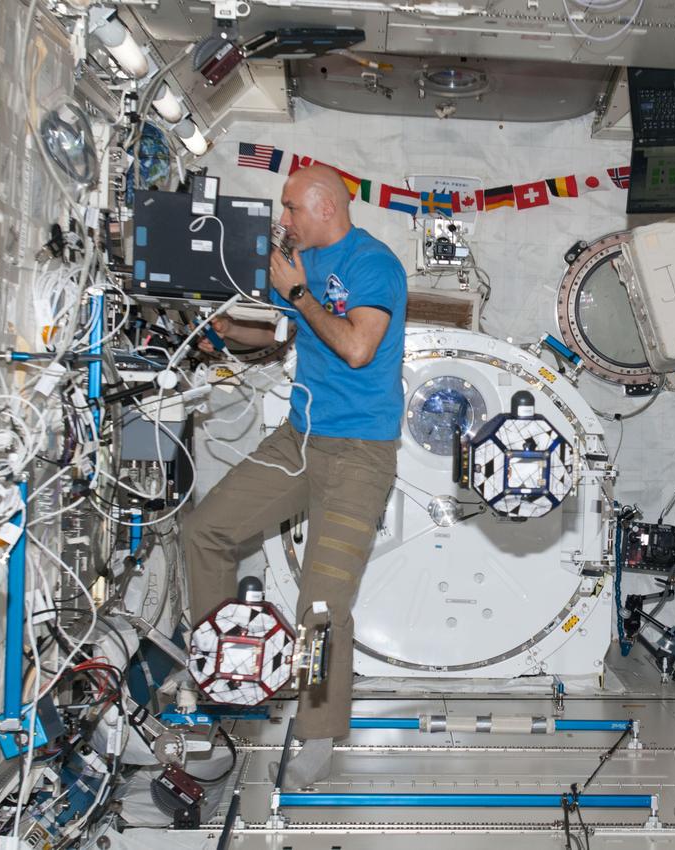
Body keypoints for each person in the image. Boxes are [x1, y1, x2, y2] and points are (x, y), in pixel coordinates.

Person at [180, 164, 407, 787]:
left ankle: (316, 728)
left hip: (360, 453)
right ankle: (224, 689)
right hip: (300, 438)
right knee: (204, 532)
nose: (282, 220)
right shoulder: (298, 265)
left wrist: (301, 292)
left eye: (290, 209)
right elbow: (282, 335)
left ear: (325, 207)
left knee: (322, 603)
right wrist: (229, 333)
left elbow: (358, 347)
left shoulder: (373, 265)